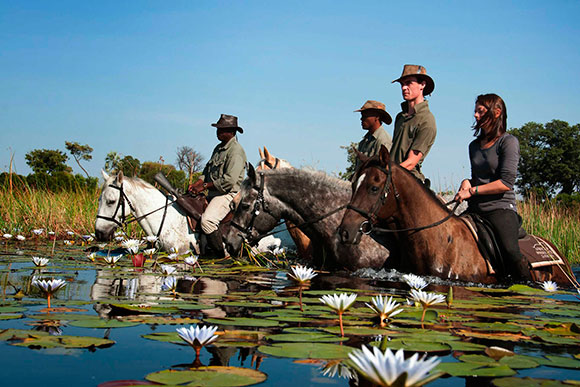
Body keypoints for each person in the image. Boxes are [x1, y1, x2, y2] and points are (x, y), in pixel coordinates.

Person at [454, 94, 531, 281]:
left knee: (510, 250)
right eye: (475, 110)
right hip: (475, 210)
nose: (475, 115)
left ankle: (528, 288)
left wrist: (472, 191)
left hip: (500, 209)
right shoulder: (473, 146)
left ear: (496, 113)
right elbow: (477, 178)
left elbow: (506, 183)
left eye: (480, 111)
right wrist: (467, 183)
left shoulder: (508, 142)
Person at [189, 114, 247, 257]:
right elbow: (207, 171)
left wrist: (205, 186)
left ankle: (220, 256)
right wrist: (198, 182)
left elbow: (229, 181)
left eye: (222, 129)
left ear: (232, 132)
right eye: (218, 129)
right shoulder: (218, 148)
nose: (218, 132)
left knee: (207, 221)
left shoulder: (236, 151)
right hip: (214, 192)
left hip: (228, 194)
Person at [391, 64, 437, 186]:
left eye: (408, 83)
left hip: (409, 180)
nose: (404, 88)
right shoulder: (400, 117)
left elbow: (411, 163)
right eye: (402, 84)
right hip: (392, 176)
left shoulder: (427, 120)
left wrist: (386, 173)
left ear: (422, 85)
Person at [353, 100, 393, 171]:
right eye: (362, 116)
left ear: (377, 117)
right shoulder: (364, 142)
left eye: (365, 116)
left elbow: (382, 170)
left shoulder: (383, 140)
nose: (361, 119)